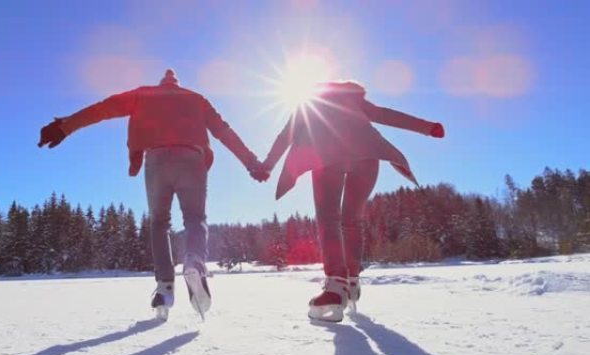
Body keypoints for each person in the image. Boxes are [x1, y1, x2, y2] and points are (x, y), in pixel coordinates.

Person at [38, 69, 263, 320]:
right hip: (192, 159)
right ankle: (195, 263)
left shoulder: (143, 95)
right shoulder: (196, 98)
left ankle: (165, 287)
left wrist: (66, 126)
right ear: (177, 84)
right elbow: (224, 131)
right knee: (195, 218)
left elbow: (103, 109)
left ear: (161, 83)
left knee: (159, 223)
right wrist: (252, 162)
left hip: (157, 161)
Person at [253, 81, 444, 322]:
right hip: (367, 157)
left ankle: (335, 287)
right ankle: (351, 282)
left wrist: (267, 166)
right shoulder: (354, 101)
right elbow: (386, 115)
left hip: (326, 156)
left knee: (329, 219)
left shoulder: (309, 104)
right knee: (353, 220)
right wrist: (427, 128)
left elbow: (286, 135)